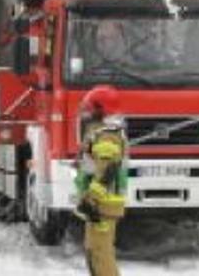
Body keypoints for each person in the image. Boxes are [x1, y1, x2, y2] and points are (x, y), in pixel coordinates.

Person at [74, 89, 128, 276]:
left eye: (90, 109)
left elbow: (107, 170)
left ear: (101, 109)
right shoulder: (103, 133)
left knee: (100, 255)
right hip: (101, 202)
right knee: (95, 252)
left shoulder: (106, 135)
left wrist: (91, 198)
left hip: (102, 203)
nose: (87, 113)